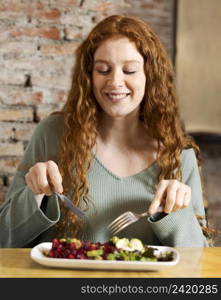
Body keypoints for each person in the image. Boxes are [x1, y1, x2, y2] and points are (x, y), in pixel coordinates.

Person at [0, 15, 209, 248]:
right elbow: (4, 240)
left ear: (150, 76)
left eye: (129, 70)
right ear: (88, 76)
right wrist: (34, 196)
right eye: (103, 70)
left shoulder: (179, 154)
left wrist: (177, 214)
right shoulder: (52, 135)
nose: (115, 82)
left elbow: (199, 261)